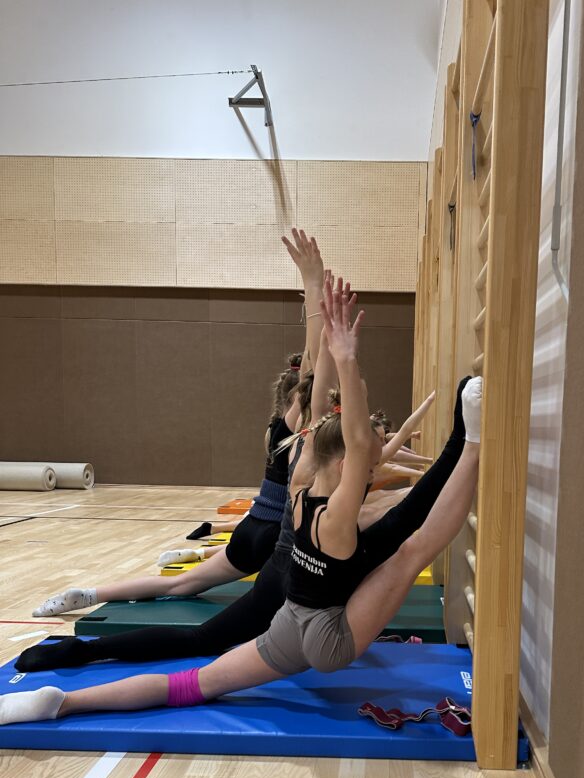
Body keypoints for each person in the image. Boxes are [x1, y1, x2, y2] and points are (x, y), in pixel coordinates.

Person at [2, 280, 481, 725]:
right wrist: (345, 357)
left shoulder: (301, 485)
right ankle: (474, 444)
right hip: (329, 638)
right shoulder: (338, 515)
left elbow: (331, 422)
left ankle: (62, 702)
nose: (373, 469)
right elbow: (356, 442)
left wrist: (336, 352)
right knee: (413, 549)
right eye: (368, 465)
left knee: (192, 683)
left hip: (288, 623)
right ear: (345, 466)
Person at [30, 229, 328, 618]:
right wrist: (313, 285)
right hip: (275, 535)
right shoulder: (297, 424)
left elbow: (309, 365)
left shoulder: (274, 428)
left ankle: (87, 594)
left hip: (253, 526)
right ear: (297, 400)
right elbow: (314, 363)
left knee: (179, 584)